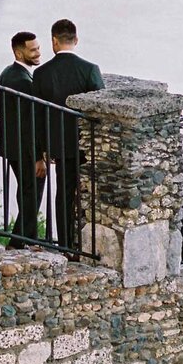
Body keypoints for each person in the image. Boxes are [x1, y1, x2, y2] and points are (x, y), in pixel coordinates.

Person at [31, 19, 104, 252]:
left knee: (63, 194)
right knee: (92, 194)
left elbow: (37, 116)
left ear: (54, 40)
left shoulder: (41, 73)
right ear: (76, 40)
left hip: (59, 145)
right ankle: (90, 244)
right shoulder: (90, 69)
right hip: (87, 145)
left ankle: (65, 245)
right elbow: (101, 108)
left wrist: (42, 149)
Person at [0, 31, 45, 248]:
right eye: (32, 50)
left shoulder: (8, 73)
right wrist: (38, 157)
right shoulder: (24, 81)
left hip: (11, 144)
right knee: (32, 191)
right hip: (24, 148)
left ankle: (28, 239)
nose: (38, 53)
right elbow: (28, 123)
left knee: (26, 191)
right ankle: (18, 241)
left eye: (38, 48)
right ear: (18, 52)